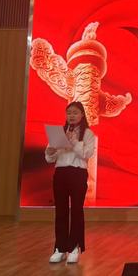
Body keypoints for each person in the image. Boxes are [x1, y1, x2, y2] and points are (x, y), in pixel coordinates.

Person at [45, 101, 97, 264]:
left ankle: (74, 247)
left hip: (78, 173)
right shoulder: (60, 132)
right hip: (60, 173)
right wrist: (50, 151)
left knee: (76, 210)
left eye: (75, 113)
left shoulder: (88, 133)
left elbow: (87, 154)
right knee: (60, 211)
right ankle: (60, 248)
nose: (71, 116)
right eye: (69, 113)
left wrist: (74, 142)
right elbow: (49, 158)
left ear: (82, 115)